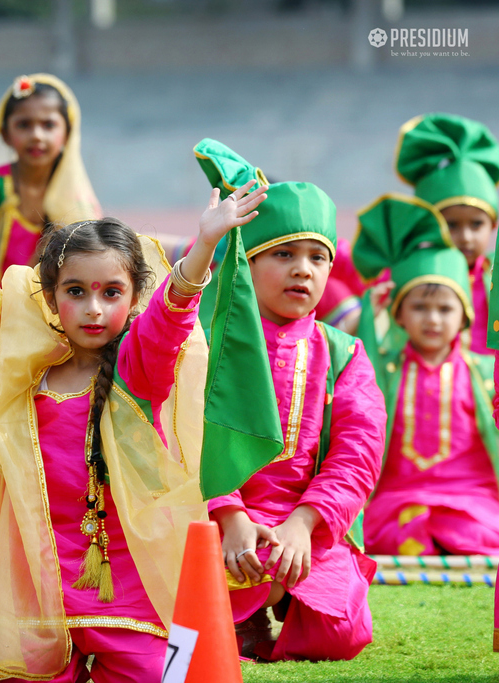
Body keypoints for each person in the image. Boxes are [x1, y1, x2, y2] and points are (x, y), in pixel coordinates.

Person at [0, 154, 251, 681]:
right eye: (75, 292)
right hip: (37, 587)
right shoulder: (24, 365)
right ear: (52, 300)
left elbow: (171, 315)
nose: (94, 309)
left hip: (127, 588)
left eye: (112, 293)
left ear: (133, 297)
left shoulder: (138, 369)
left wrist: (204, 246)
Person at [194, 139, 386, 662]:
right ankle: (249, 610)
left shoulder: (343, 352)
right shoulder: (206, 343)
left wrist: (303, 525)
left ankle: (267, 604)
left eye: (317, 257)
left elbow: (358, 453)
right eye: (283, 254)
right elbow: (180, 437)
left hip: (304, 522)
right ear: (248, 264)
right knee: (194, 580)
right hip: (208, 515)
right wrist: (229, 515)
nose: (303, 270)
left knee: (342, 632)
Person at [349, 194, 499, 556]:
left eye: (445, 309)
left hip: (471, 495)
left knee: (475, 527)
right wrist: (371, 315)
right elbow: (360, 376)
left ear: (464, 316)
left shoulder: (484, 373)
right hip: (400, 496)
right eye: (419, 307)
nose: (432, 320)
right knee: (387, 528)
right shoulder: (386, 371)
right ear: (399, 314)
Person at [0, 73, 101, 281]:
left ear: (68, 133)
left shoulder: (78, 203)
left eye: (48, 125)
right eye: (24, 125)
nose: (36, 135)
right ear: (5, 134)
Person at [396, 113, 499, 354]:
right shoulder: (408, 274)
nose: (465, 237)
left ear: (492, 225)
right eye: (451, 224)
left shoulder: (494, 275)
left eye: (476, 224)